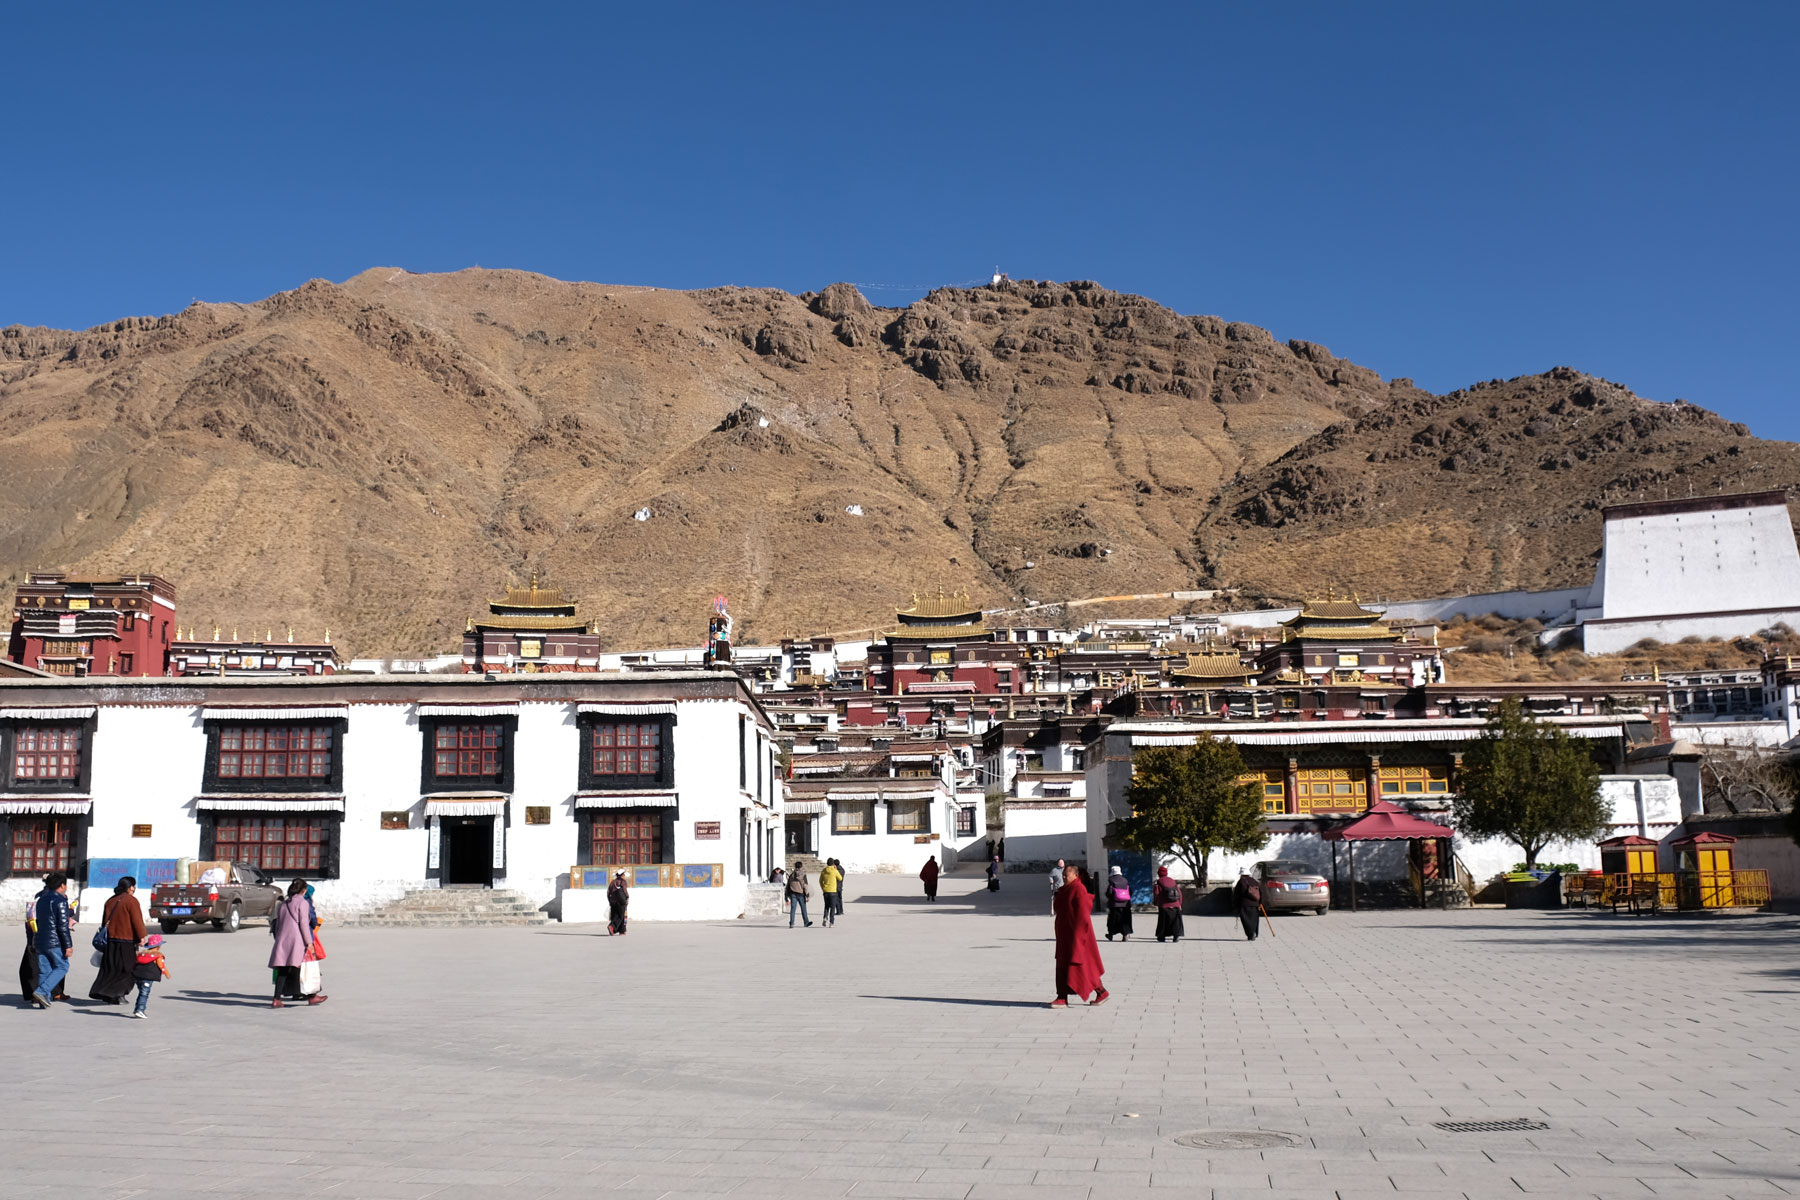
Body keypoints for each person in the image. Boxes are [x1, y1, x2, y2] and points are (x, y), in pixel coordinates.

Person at [1050, 863, 1107, 1008]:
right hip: (1065, 934)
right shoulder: (1066, 889)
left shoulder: (1078, 889)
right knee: (1064, 964)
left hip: (1077, 934)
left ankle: (1098, 991)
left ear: (1075, 875)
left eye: (1067, 874)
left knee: (1081, 965)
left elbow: (1083, 915)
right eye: (1063, 874)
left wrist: (1079, 935)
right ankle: (1063, 996)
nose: (1064, 876)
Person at [269, 879, 327, 1007]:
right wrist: (309, 943)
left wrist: (278, 938)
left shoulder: (283, 904)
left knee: (283, 969)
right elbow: (304, 925)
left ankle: (276, 999)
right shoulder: (303, 903)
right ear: (303, 890)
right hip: (297, 941)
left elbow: (278, 924)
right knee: (304, 968)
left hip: (283, 940)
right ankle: (312, 997)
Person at [90, 876, 146, 1004]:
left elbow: (104, 921)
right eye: (134, 886)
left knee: (111, 968)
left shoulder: (110, 901)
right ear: (130, 887)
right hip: (126, 940)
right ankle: (116, 993)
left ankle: (109, 994)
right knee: (128, 969)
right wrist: (141, 936)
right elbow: (137, 921)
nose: (134, 889)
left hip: (110, 941)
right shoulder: (131, 901)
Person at [29, 872, 73, 1010]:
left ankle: (44, 1001)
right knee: (62, 966)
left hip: (40, 939)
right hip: (54, 941)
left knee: (45, 970)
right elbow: (62, 926)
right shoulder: (60, 901)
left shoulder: (41, 900)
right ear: (62, 885)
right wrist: (68, 945)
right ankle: (42, 992)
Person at [130, 933, 168, 1019]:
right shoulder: (158, 955)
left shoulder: (142, 954)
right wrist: (166, 973)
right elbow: (161, 966)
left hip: (137, 976)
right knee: (144, 993)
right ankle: (140, 1010)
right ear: (158, 947)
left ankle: (138, 1009)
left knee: (142, 992)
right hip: (148, 977)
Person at [1152, 866, 1185, 944]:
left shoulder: (1159, 882)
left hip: (1164, 905)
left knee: (1163, 922)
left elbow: (1156, 893)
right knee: (1176, 922)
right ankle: (1176, 936)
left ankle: (1162, 937)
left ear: (1159, 874)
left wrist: (1156, 902)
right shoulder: (1172, 881)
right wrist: (1179, 903)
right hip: (1175, 905)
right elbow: (1179, 892)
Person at [1104, 868, 1133, 941]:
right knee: (1124, 919)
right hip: (1125, 904)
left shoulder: (1111, 880)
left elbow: (1109, 892)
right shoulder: (1125, 880)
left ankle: (1110, 934)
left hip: (1114, 904)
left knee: (1112, 920)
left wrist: (1108, 896)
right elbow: (1130, 891)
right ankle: (1125, 935)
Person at [1233, 871, 1263, 941]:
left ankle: (1251, 934)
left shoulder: (1241, 881)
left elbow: (1237, 894)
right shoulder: (1254, 881)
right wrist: (1260, 902)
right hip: (1255, 904)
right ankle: (1254, 932)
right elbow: (1260, 892)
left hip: (1245, 904)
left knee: (1246, 921)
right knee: (1254, 920)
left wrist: (1235, 905)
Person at [786, 860, 812, 928]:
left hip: (793, 893)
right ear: (801, 866)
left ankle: (792, 923)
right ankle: (806, 922)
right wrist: (807, 895)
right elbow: (805, 885)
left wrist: (787, 894)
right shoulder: (803, 875)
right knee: (803, 908)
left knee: (793, 909)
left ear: (795, 866)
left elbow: (788, 884)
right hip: (801, 893)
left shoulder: (792, 875)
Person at [818, 858, 842, 926]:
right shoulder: (834, 871)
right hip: (833, 891)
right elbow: (840, 878)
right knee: (833, 907)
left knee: (826, 906)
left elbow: (820, 881)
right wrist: (836, 870)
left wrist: (823, 888)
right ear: (833, 864)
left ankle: (825, 918)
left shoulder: (824, 870)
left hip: (826, 891)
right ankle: (831, 922)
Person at [606, 870, 629, 935]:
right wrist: (627, 897)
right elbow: (624, 890)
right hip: (621, 901)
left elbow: (608, 892)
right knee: (621, 915)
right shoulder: (622, 881)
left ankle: (621, 930)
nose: (624, 876)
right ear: (622, 875)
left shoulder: (612, 882)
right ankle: (612, 926)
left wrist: (610, 901)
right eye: (624, 875)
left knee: (615, 915)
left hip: (613, 901)